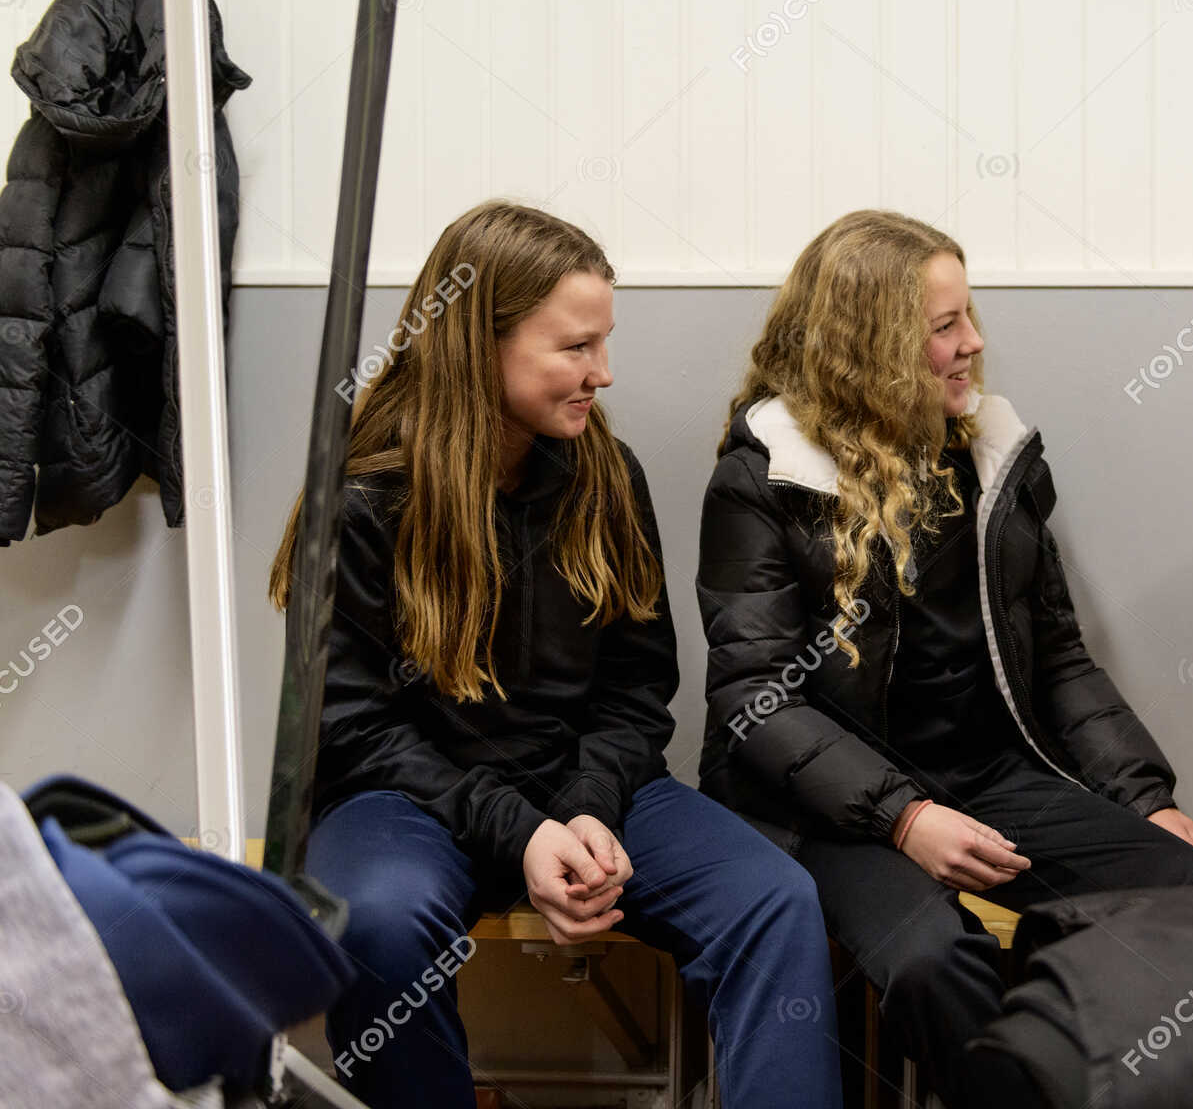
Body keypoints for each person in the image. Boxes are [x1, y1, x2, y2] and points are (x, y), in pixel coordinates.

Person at [268, 201, 841, 1109]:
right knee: (377, 925)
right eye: (576, 347)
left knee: (774, 901)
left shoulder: (607, 476)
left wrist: (581, 809)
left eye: (603, 343)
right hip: (406, 799)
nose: (602, 374)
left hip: (584, 787)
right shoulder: (364, 496)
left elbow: (638, 687)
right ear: (478, 344)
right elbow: (351, 727)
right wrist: (521, 832)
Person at [693, 208, 1193, 1107]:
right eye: (944, 326)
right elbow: (756, 698)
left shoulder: (989, 456)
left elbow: (1059, 658)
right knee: (935, 961)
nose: (973, 343)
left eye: (968, 316)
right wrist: (903, 818)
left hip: (981, 775)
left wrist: (1148, 799)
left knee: (1189, 889)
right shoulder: (763, 479)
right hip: (821, 808)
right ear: (870, 350)